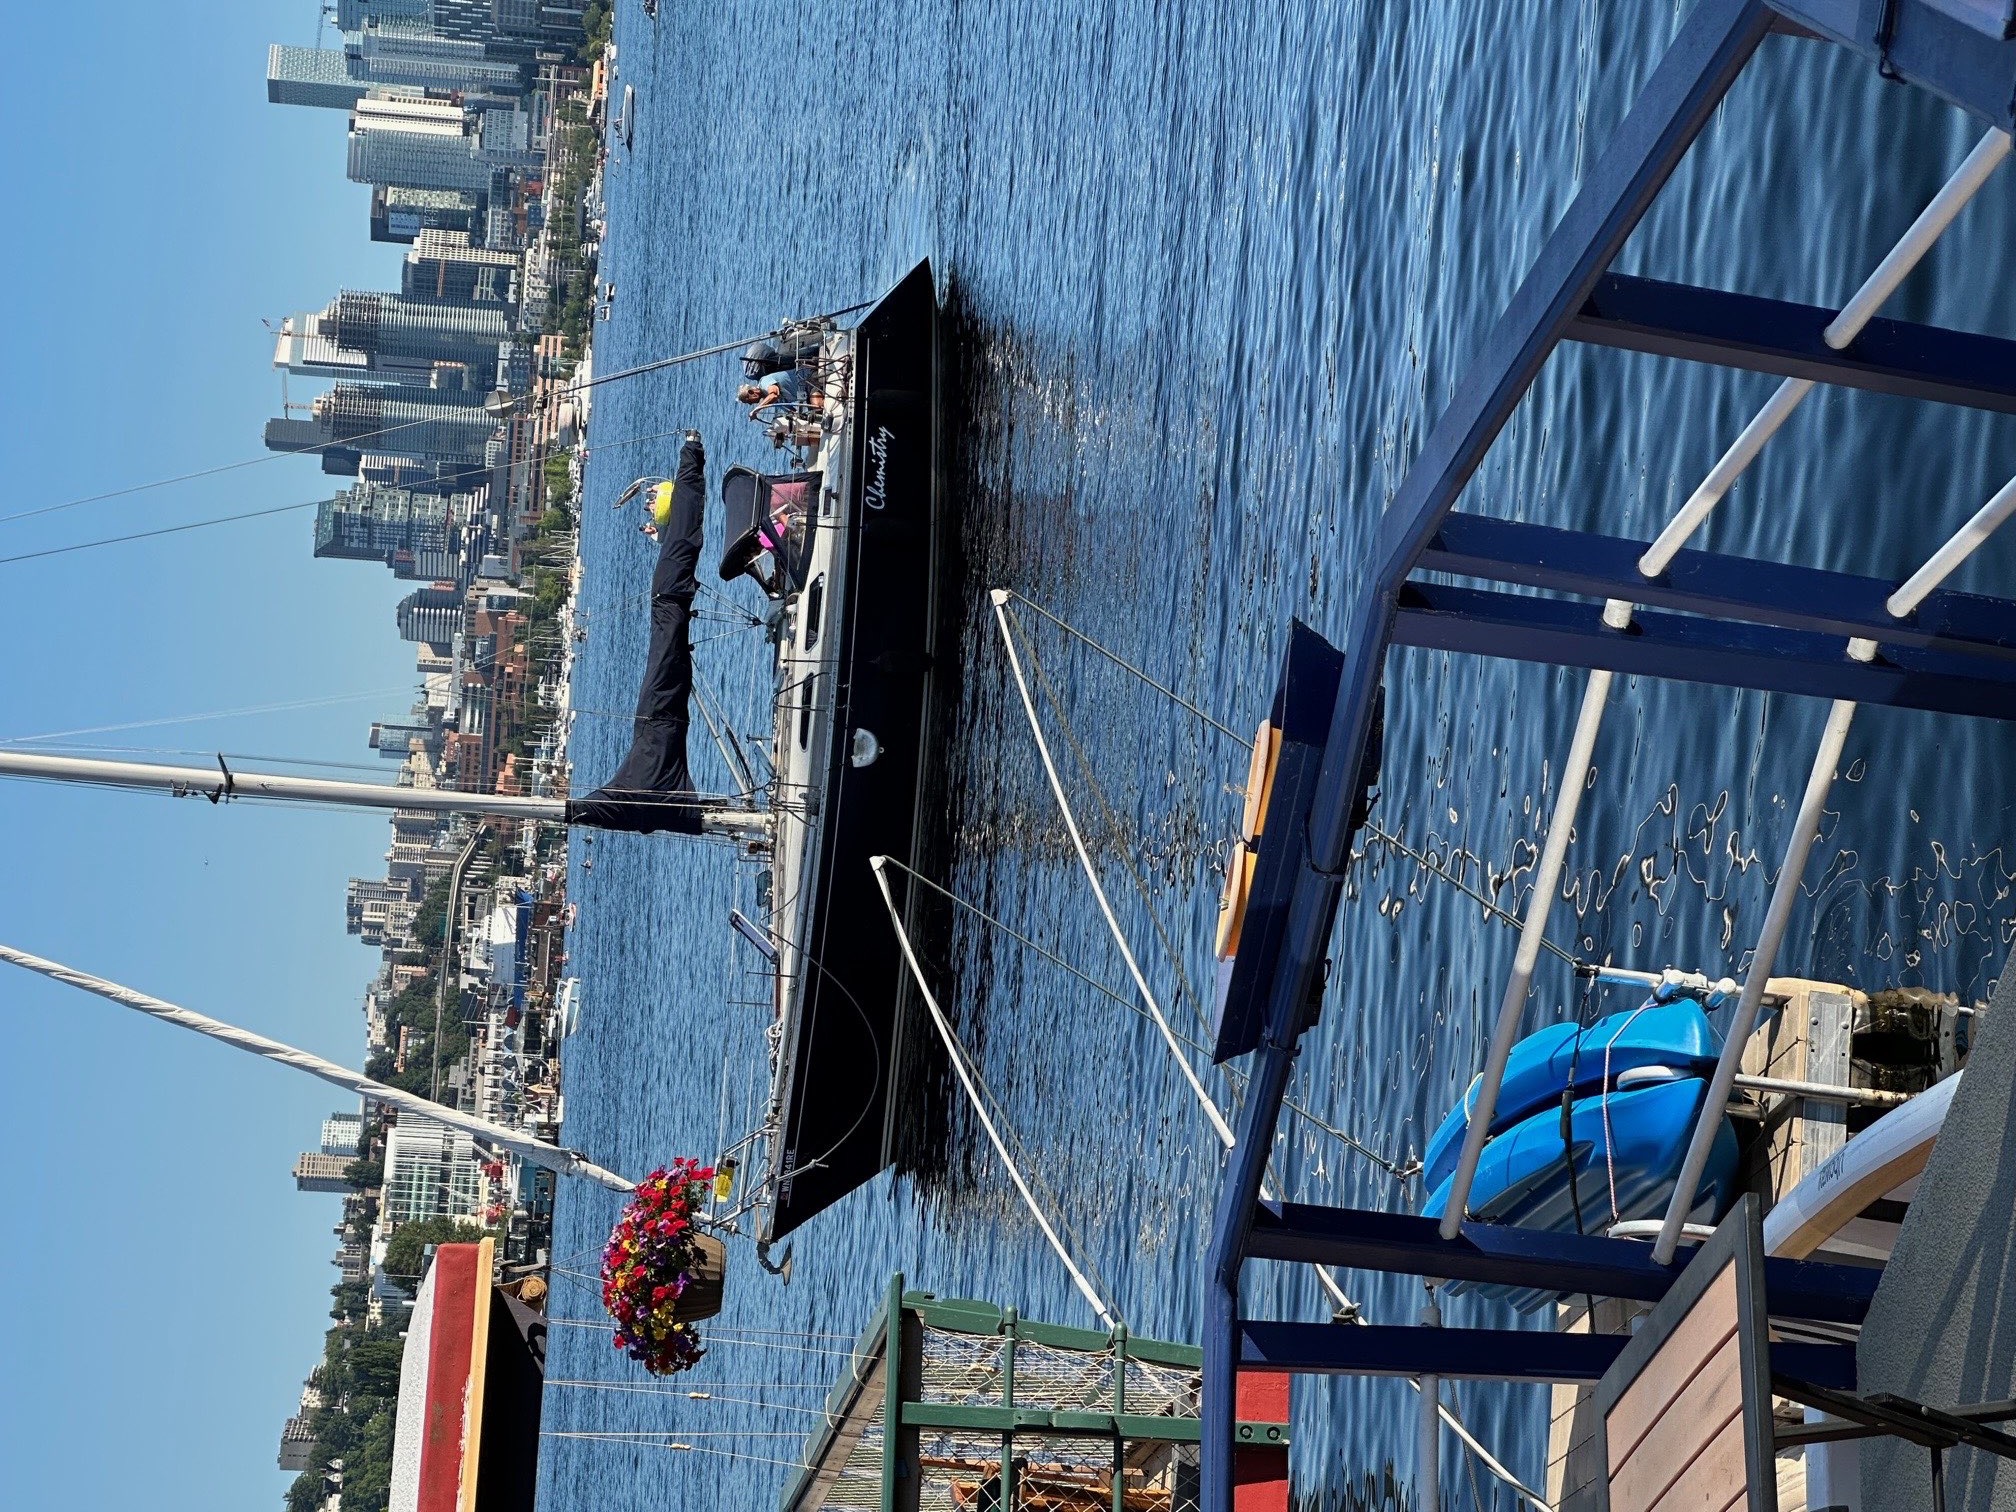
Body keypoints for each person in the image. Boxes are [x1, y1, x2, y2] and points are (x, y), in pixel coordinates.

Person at [737, 366, 817, 411]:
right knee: (813, 416)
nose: (750, 404)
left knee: (816, 406)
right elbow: (791, 411)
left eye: (748, 401)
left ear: (751, 392)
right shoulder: (771, 401)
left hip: (808, 378)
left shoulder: (764, 383)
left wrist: (757, 409)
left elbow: (774, 395)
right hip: (807, 393)